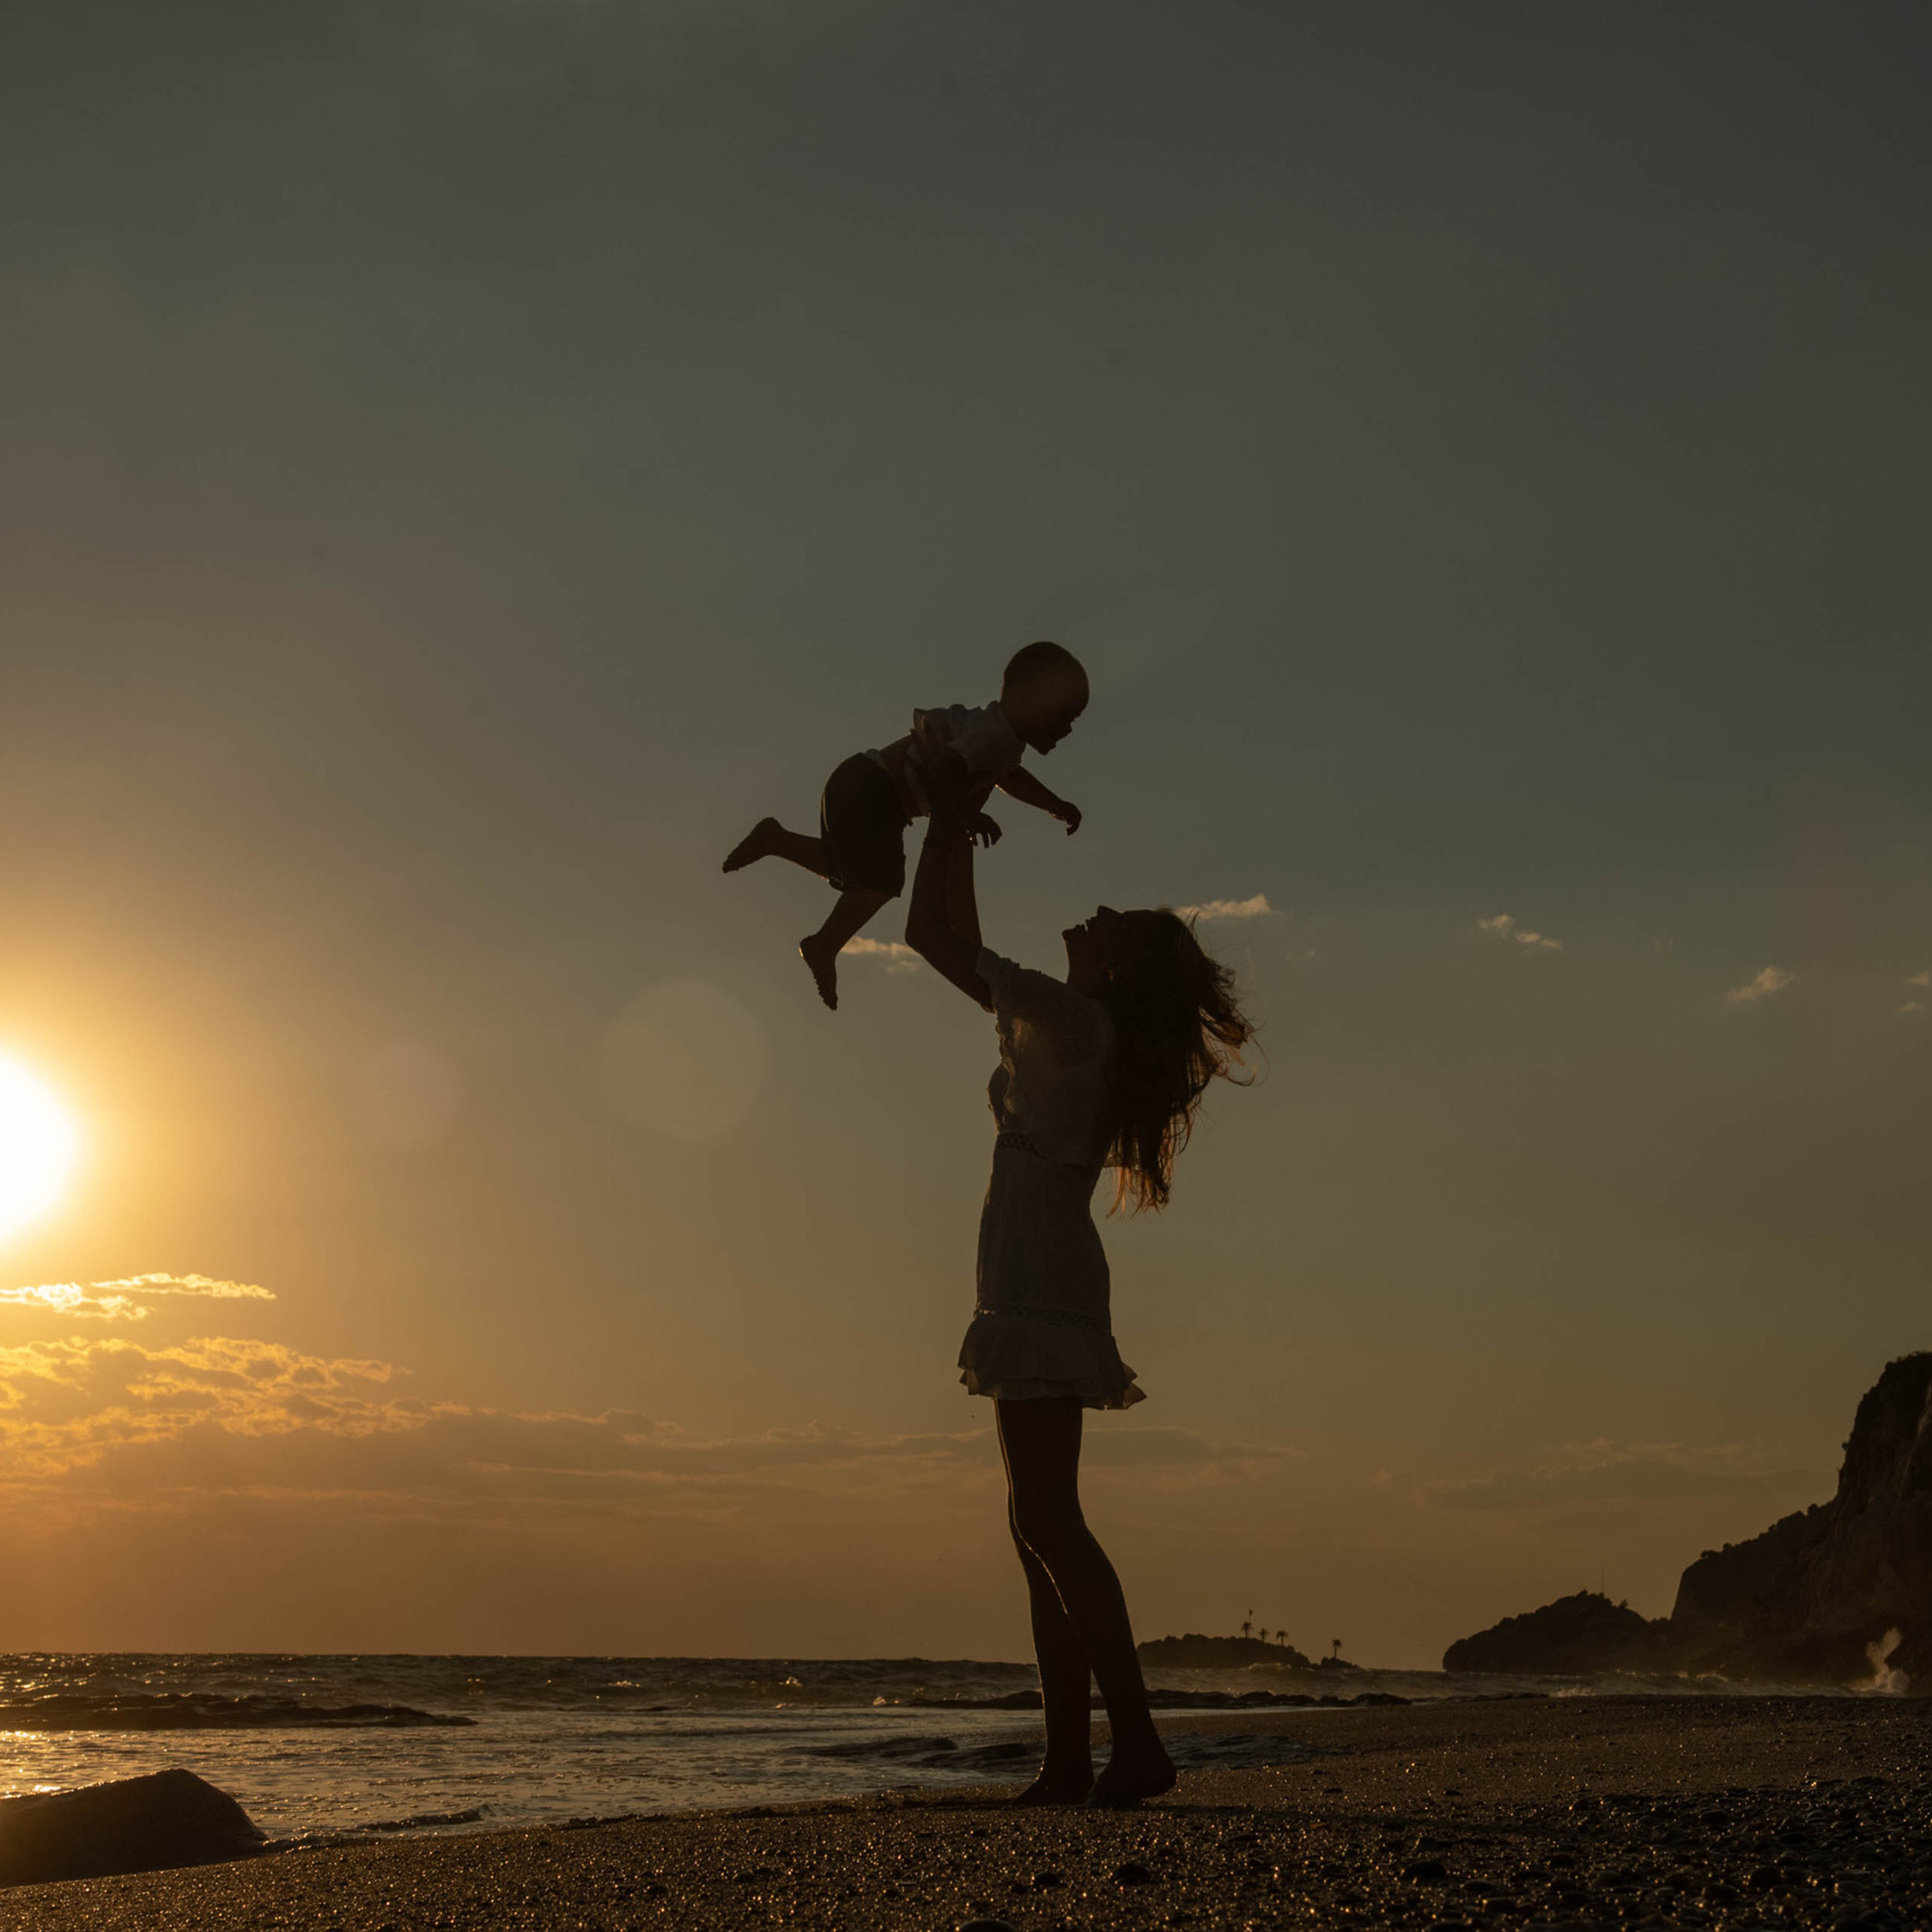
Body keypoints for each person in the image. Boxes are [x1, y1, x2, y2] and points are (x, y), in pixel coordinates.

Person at [903, 814, 1256, 1807]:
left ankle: (1133, 1746)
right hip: (1036, 1265)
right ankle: (1068, 1758)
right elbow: (954, 942)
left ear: (1118, 964)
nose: (1090, 913)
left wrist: (944, 824)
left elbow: (930, 941)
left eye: (1113, 921)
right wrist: (953, 832)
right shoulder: (1079, 1024)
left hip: (1041, 1273)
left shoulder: (1072, 1019)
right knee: (1037, 1525)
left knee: (1049, 1521)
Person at [721, 641, 1088, 1010]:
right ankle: (823, 945)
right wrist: (968, 814)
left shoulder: (1003, 744)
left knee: (851, 874)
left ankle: (776, 840)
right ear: (1031, 698)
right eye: (1064, 716)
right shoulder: (990, 733)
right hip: (874, 789)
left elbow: (1009, 777)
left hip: (865, 786)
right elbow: (946, 768)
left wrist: (1053, 804)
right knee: (881, 881)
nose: (1067, 730)